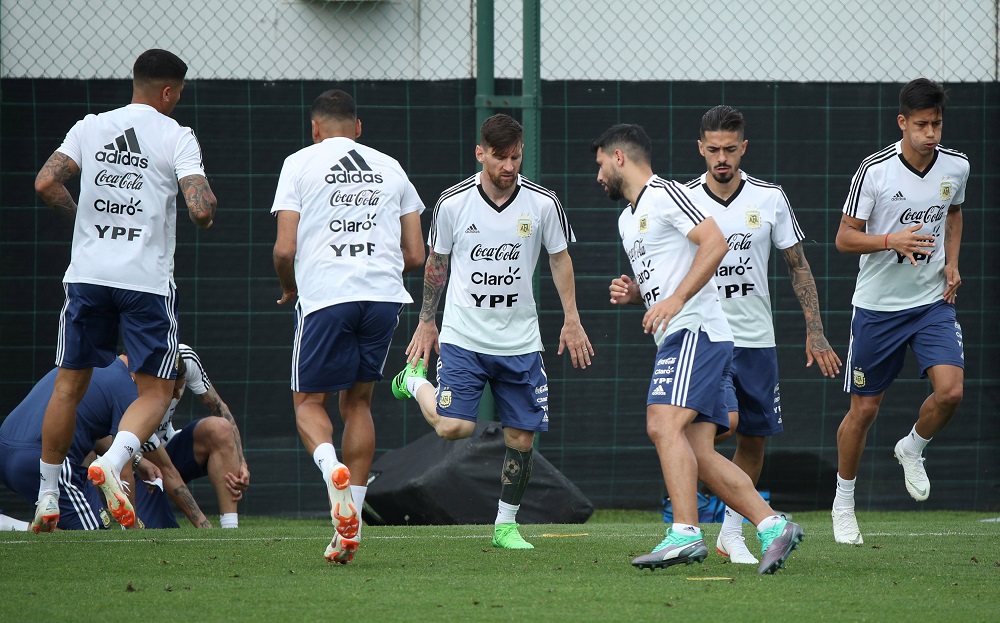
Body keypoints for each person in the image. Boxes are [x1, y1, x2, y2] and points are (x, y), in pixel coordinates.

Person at [592, 123, 803, 574]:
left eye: (599, 164)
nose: (598, 176)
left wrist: (676, 299)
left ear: (619, 158)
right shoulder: (627, 218)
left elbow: (716, 243)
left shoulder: (665, 193)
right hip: (679, 332)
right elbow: (670, 273)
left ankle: (684, 534)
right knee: (698, 451)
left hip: (698, 330)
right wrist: (640, 295)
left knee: (660, 421)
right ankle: (771, 526)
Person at [31, 49, 217, 532]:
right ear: (169, 92)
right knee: (155, 390)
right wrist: (207, 207)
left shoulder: (90, 125)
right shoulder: (176, 135)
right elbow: (200, 208)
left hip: (88, 276)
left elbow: (46, 182)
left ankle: (47, 496)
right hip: (145, 284)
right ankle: (112, 464)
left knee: (68, 386)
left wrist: (84, 226)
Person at [390, 113, 594, 550]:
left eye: (516, 157)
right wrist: (427, 320)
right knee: (454, 428)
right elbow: (437, 262)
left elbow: (560, 259)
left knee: (521, 437)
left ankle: (504, 526)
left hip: (520, 341)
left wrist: (571, 318)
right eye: (500, 158)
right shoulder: (452, 203)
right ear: (480, 153)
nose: (508, 167)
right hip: (465, 337)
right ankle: (414, 382)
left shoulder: (543, 204)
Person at [271, 89, 426, 564]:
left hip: (326, 298)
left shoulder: (299, 163)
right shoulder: (391, 166)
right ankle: (349, 525)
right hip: (383, 298)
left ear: (315, 129)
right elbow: (416, 255)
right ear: (357, 128)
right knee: (358, 403)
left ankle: (330, 467)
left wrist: (289, 287)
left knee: (307, 403)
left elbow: (284, 250)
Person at [684, 105, 841, 563]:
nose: (721, 158)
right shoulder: (683, 199)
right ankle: (688, 520)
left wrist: (815, 329)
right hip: (707, 338)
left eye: (730, 149)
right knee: (719, 426)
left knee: (753, 439)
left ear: (743, 148)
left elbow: (798, 266)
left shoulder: (769, 198)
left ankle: (730, 533)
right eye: (713, 149)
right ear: (700, 148)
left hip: (757, 340)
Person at [832, 78, 968, 544]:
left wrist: (952, 263)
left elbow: (953, 212)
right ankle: (844, 502)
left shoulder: (957, 165)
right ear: (902, 123)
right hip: (878, 308)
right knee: (864, 411)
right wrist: (892, 240)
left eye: (937, 124)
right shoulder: (874, 171)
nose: (931, 133)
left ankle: (912, 447)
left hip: (931, 302)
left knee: (950, 392)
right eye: (922, 125)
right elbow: (844, 238)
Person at [1, 357, 161, 530]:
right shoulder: (127, 391)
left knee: (80, 527)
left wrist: (138, 460)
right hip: (40, 458)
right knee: (93, 539)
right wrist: (133, 529)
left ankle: (15, 526)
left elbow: (86, 426)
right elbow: (123, 471)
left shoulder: (87, 367)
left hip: (5, 452)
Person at [133, 343, 250, 529]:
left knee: (220, 427)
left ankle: (230, 529)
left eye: (181, 386)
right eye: (172, 389)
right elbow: (106, 440)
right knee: (157, 534)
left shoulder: (185, 357)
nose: (177, 394)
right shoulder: (130, 376)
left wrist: (241, 461)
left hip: (166, 448)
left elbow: (220, 408)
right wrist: (138, 462)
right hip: (135, 463)